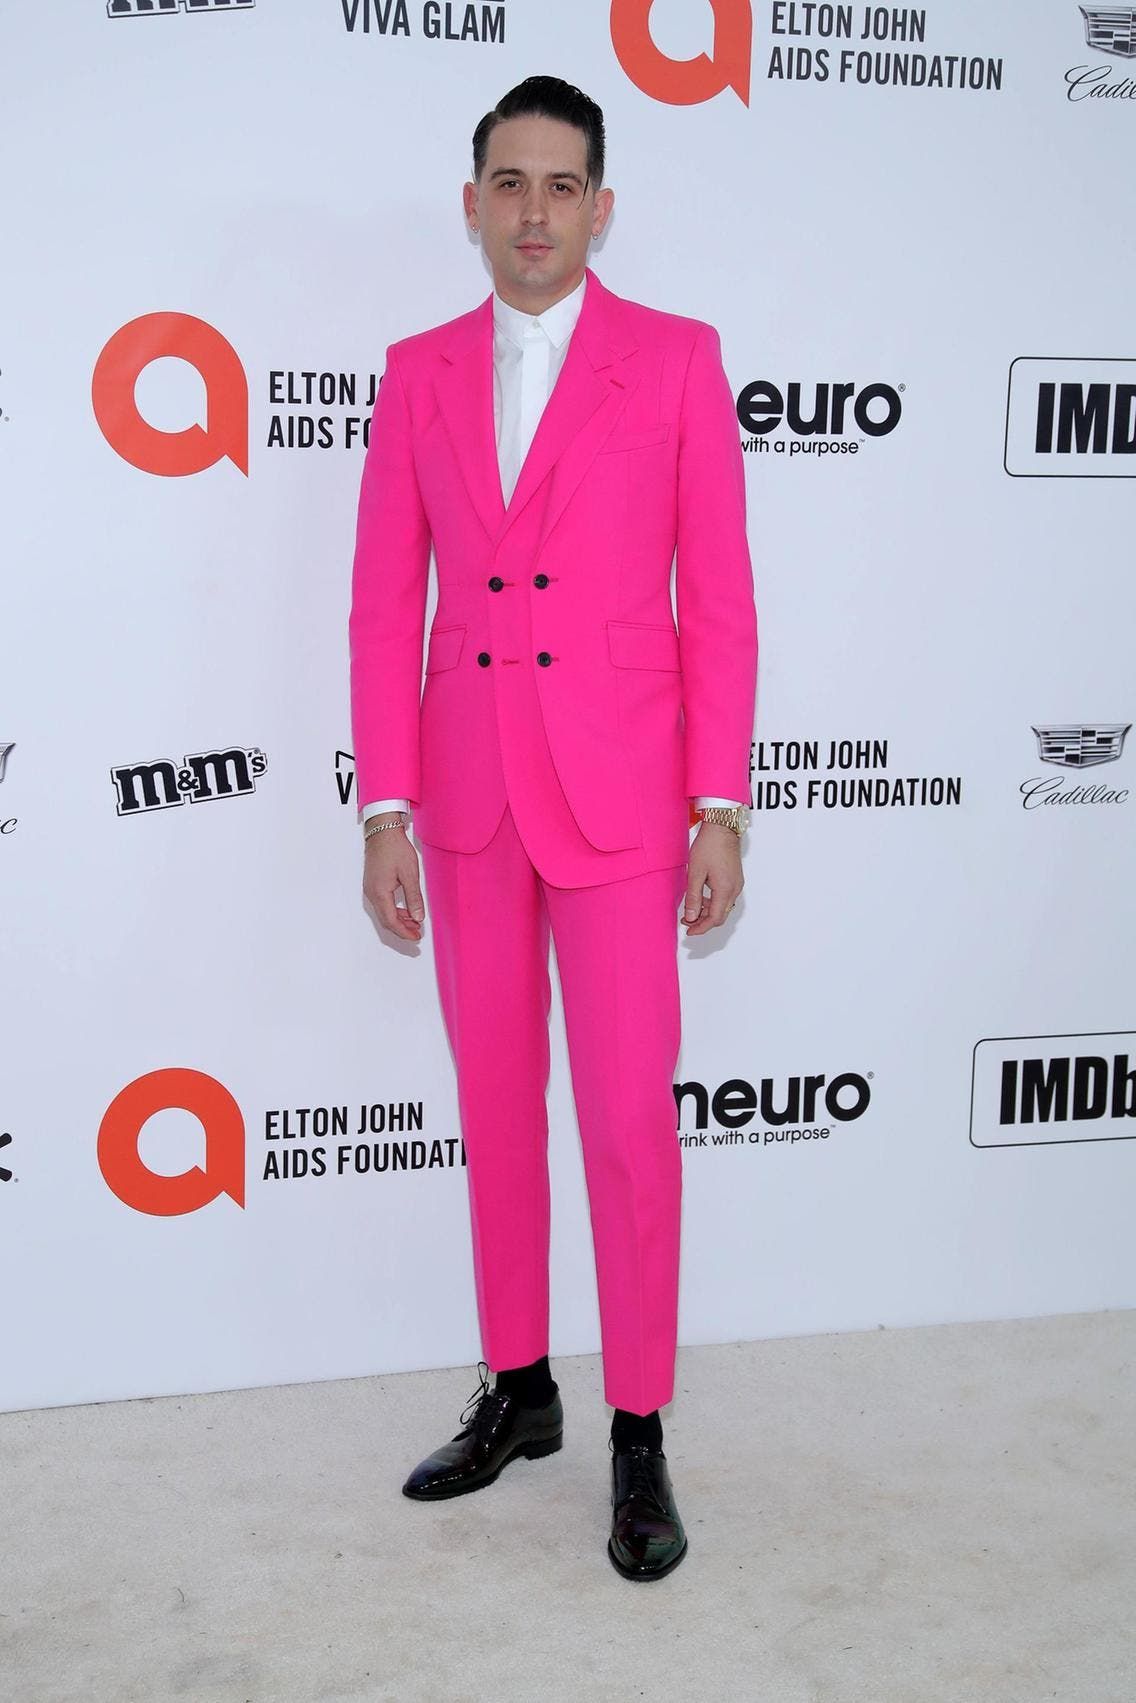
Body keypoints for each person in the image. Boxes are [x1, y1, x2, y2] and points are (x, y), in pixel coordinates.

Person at [348, 75, 758, 1581]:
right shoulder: (416, 373)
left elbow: (718, 599)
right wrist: (385, 804)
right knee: (499, 1104)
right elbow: (384, 601)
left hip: (624, 796)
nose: (534, 212)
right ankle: (522, 1390)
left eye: (561, 185)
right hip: (465, 799)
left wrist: (720, 805)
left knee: (629, 1124)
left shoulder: (677, 359)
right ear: (472, 206)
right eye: (509, 185)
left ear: (601, 207)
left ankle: (639, 1426)